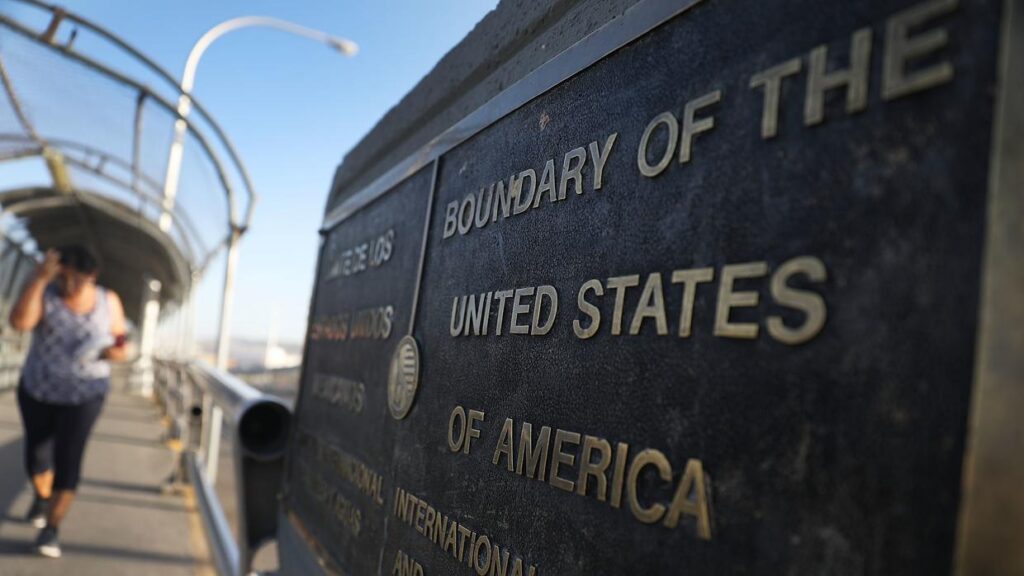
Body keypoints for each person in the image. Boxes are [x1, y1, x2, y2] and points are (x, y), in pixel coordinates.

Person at [8, 245, 127, 558]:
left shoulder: (108, 300)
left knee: (69, 458)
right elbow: (20, 323)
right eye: (66, 277)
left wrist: (109, 351)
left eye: (80, 279)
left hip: (85, 394)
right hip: (39, 390)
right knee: (36, 457)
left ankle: (51, 529)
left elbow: (119, 344)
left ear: (93, 276)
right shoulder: (44, 291)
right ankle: (42, 497)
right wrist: (38, 279)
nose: (71, 286)